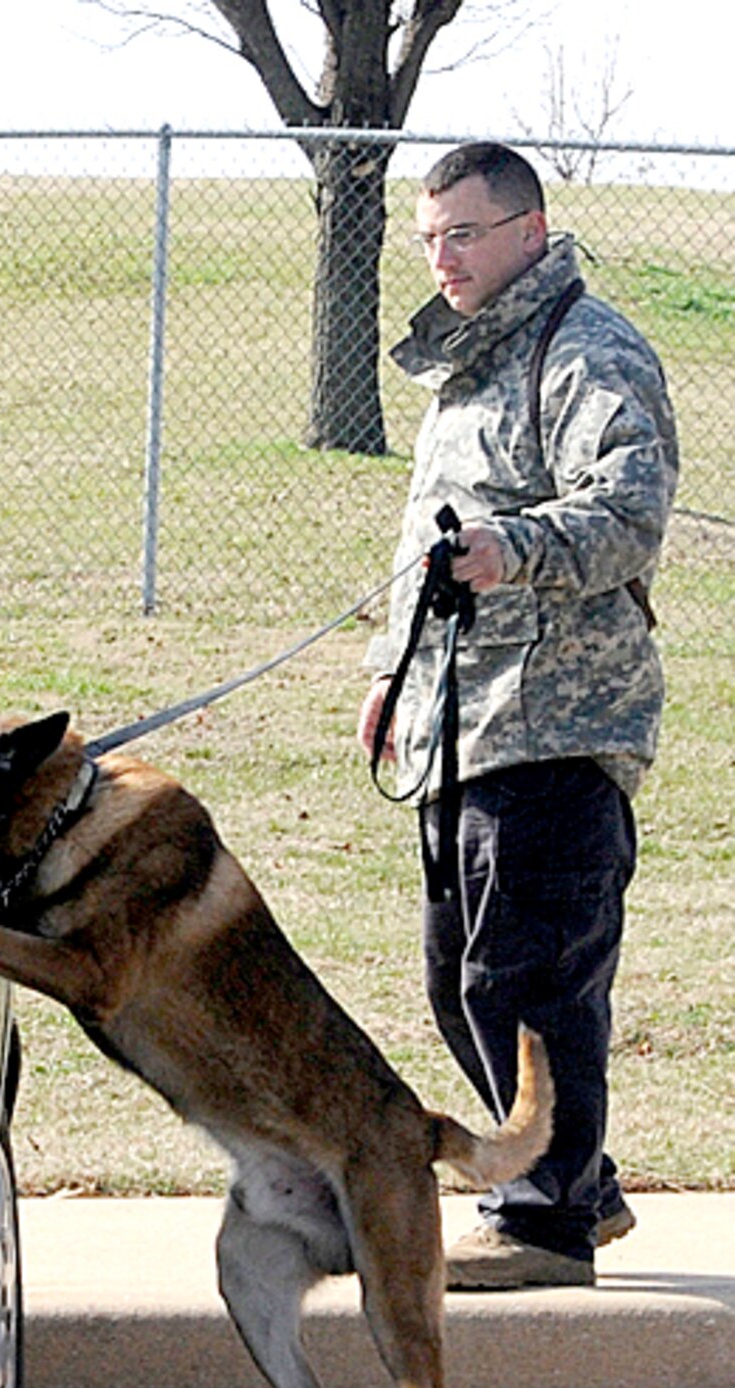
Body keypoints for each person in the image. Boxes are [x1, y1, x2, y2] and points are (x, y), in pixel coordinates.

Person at [358, 141, 678, 1290]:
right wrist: (393, 674)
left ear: (529, 233)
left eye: (464, 234)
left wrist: (515, 548)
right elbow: (430, 542)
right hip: (460, 720)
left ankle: (544, 1222)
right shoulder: (470, 363)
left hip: (556, 722)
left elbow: (630, 511)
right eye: (428, 235)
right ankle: (575, 1182)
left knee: (529, 977)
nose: (441, 256)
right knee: (460, 982)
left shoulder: (584, 350)